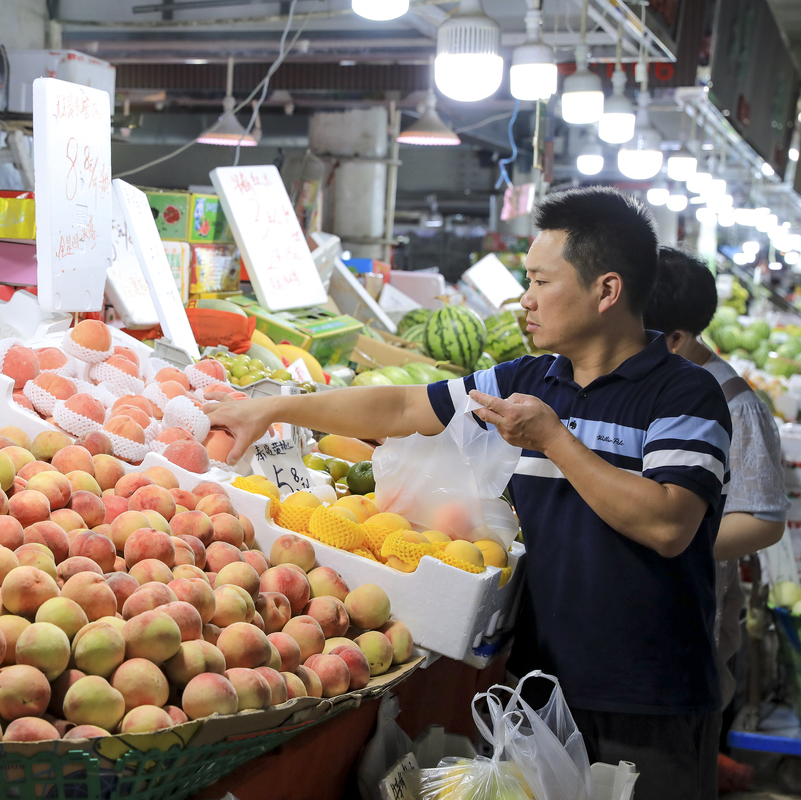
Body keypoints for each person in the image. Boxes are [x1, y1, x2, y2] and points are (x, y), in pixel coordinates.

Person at [206, 187, 730, 800]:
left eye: (540, 281)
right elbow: (405, 405)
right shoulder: (531, 379)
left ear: (606, 290)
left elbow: (669, 525)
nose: (524, 300)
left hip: (649, 698)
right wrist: (276, 406)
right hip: (538, 681)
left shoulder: (684, 396)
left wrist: (554, 440)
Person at [643, 248, 787, 738]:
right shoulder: (648, 384)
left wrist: (669, 536)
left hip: (689, 622)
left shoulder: (734, 404)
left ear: (677, 339)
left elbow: (763, 518)